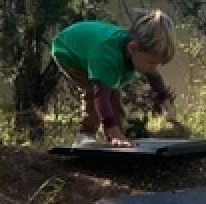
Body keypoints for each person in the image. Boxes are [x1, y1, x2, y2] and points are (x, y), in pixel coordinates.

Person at [51, 10, 178, 147]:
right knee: (96, 92)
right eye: (152, 63)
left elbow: (154, 77)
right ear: (132, 48)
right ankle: (85, 135)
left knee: (113, 94)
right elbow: (100, 97)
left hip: (92, 48)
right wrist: (113, 131)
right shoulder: (107, 57)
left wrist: (166, 105)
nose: (154, 68)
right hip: (69, 51)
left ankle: (116, 137)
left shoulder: (139, 52)